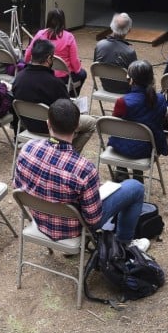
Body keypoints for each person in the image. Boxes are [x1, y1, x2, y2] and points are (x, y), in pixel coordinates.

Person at [13, 99, 147, 250]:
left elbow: (18, 187)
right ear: (77, 126)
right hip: (73, 229)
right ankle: (124, 244)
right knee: (135, 187)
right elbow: (93, 218)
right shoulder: (84, 169)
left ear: (48, 123)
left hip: (39, 219)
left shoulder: (27, 149)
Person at [11, 38, 96, 153]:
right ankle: (68, 154)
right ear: (49, 59)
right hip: (53, 128)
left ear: (32, 56)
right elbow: (68, 113)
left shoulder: (19, 78)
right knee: (91, 123)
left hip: (27, 124)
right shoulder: (55, 83)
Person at [110, 61, 168, 181]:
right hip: (149, 148)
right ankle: (137, 173)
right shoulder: (161, 99)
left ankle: (121, 171)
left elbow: (113, 125)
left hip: (122, 147)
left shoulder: (123, 102)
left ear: (130, 80)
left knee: (120, 132)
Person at [23, 8, 86, 89]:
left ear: (48, 20)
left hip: (42, 74)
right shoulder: (69, 37)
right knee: (83, 73)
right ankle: (71, 95)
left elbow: (28, 54)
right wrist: (77, 70)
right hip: (63, 78)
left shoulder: (40, 34)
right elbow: (74, 61)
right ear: (63, 21)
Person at [93, 12, 138, 94]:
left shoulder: (99, 45)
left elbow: (95, 67)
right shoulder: (130, 52)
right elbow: (134, 77)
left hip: (106, 86)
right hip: (126, 90)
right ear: (129, 30)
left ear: (111, 26)